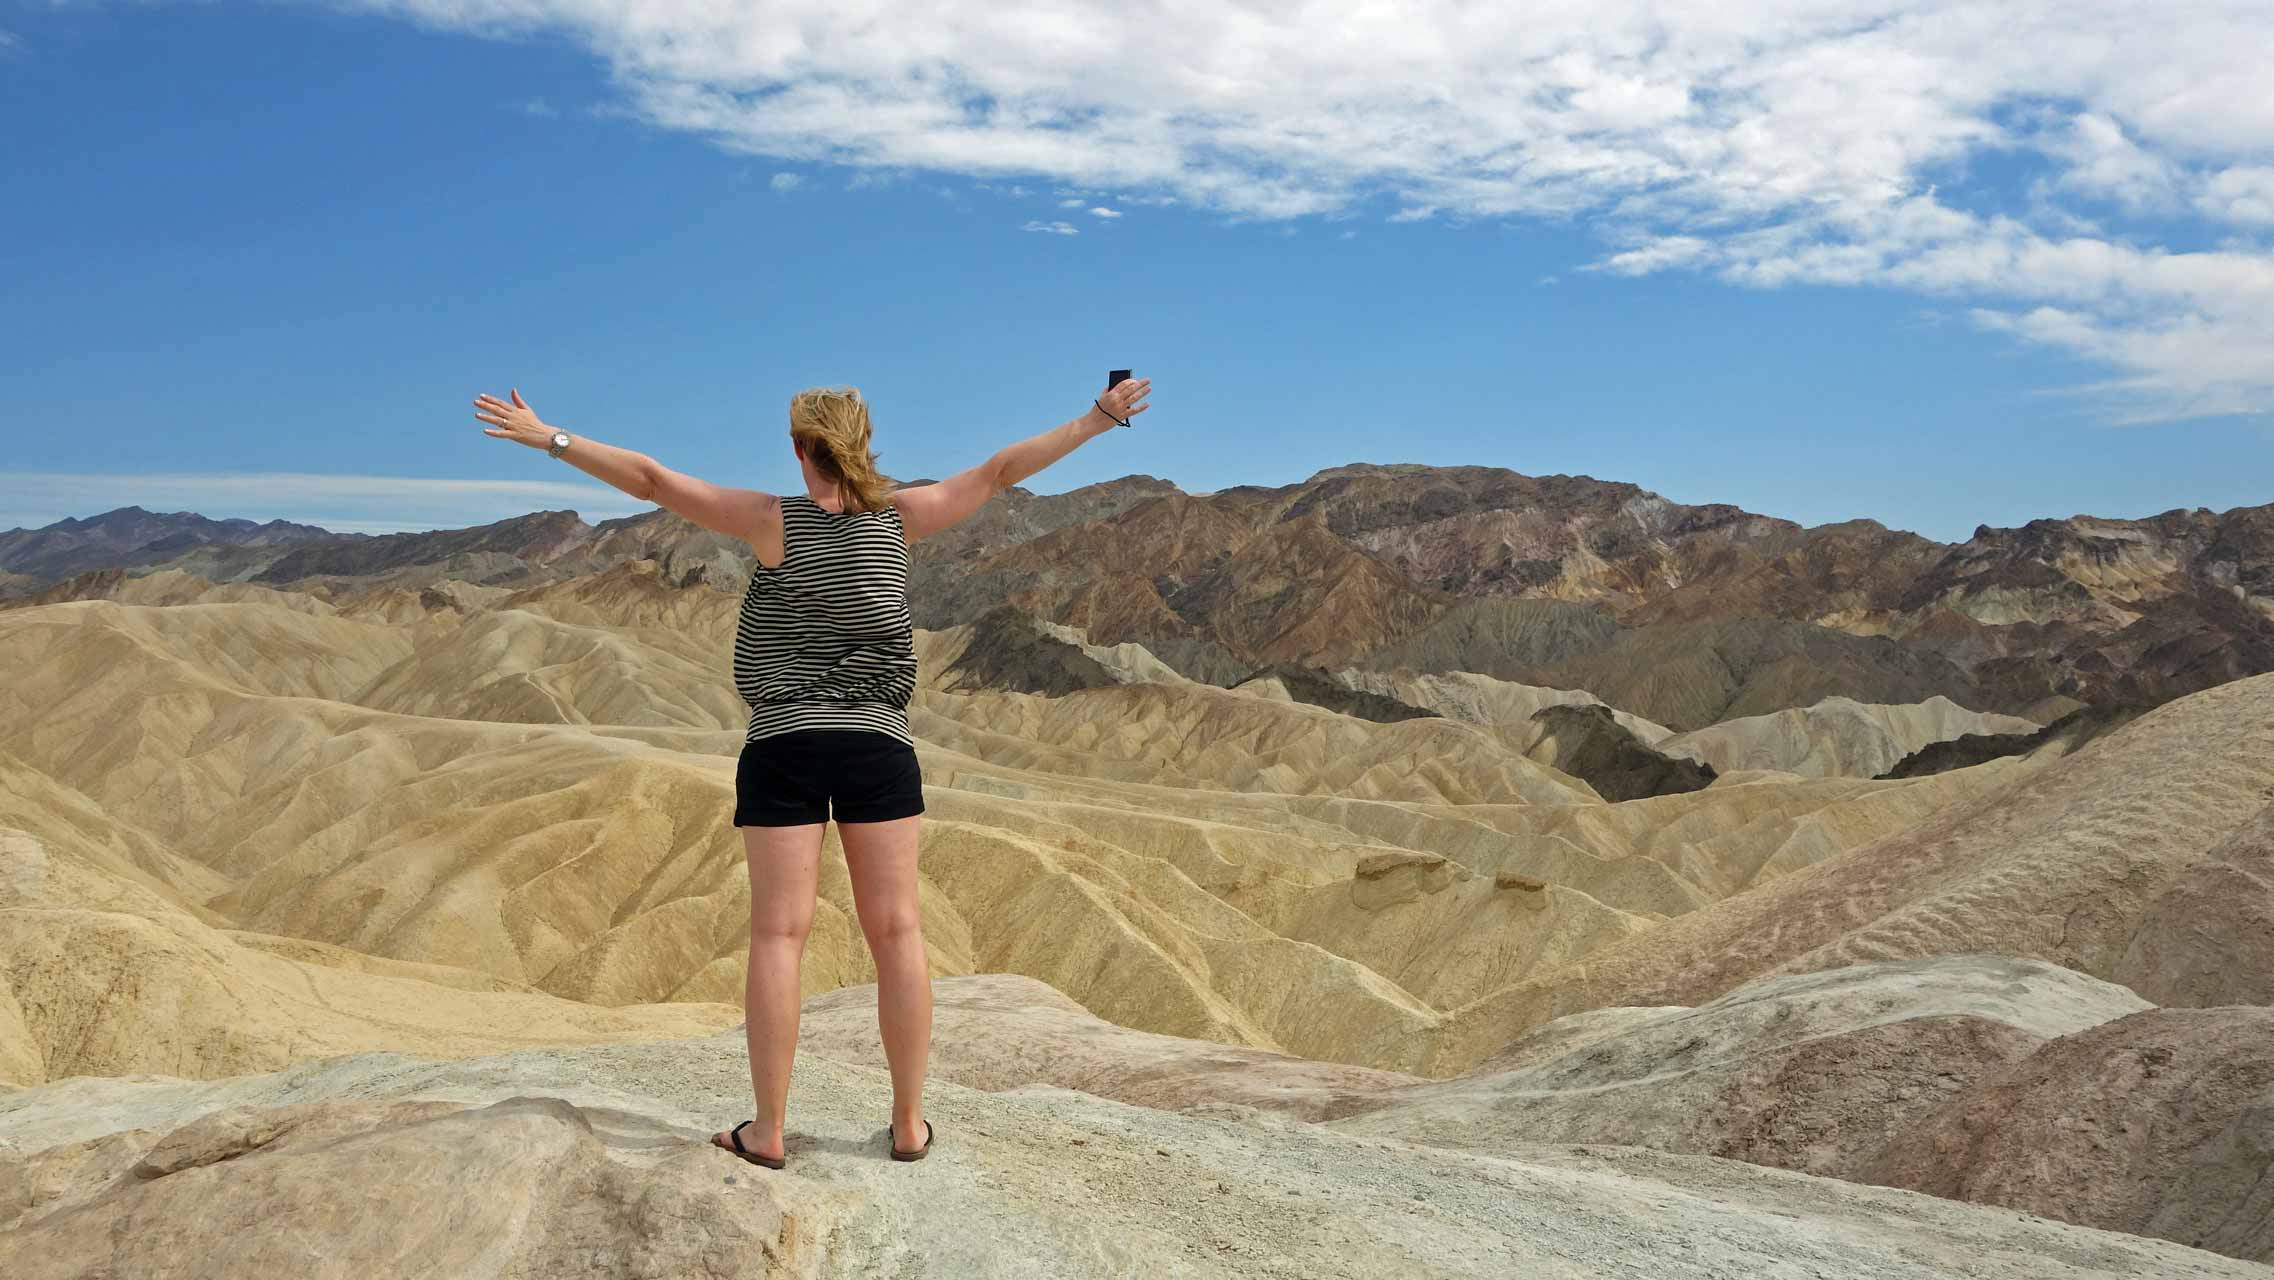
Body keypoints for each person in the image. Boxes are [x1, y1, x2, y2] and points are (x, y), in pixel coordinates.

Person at [472, 375, 1154, 1168]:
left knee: (778, 934)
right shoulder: (901, 518)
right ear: (865, 443)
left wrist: (550, 437)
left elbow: (653, 480)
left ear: (800, 448)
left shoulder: (772, 523)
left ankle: (767, 1131)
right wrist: (1098, 420)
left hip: (785, 746)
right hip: (876, 746)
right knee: (897, 930)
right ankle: (906, 1125)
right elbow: (1002, 469)